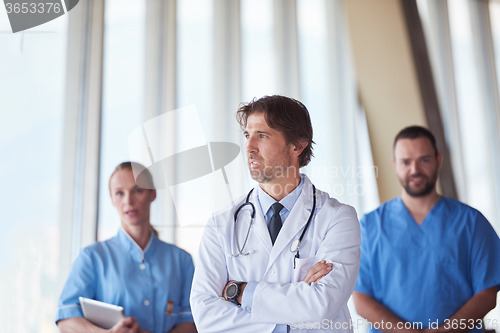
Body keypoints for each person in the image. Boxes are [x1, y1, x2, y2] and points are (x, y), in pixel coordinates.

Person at [190, 95, 361, 333]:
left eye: (262, 135)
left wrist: (241, 292)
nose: (249, 148)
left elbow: (323, 304)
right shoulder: (222, 222)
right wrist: (294, 311)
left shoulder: (338, 218)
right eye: (247, 135)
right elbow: (206, 316)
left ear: (298, 146)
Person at [353, 126, 500, 333]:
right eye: (406, 162)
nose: (415, 170)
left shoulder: (472, 223)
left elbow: (487, 294)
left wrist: (444, 332)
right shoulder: (370, 226)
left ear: (438, 160)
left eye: (424, 160)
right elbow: (360, 297)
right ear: (395, 165)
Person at [56, 162, 197, 333]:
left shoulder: (181, 260)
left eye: (137, 190)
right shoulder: (92, 257)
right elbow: (66, 319)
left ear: (152, 194)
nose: (128, 201)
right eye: (119, 193)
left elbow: (191, 322)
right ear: (112, 199)